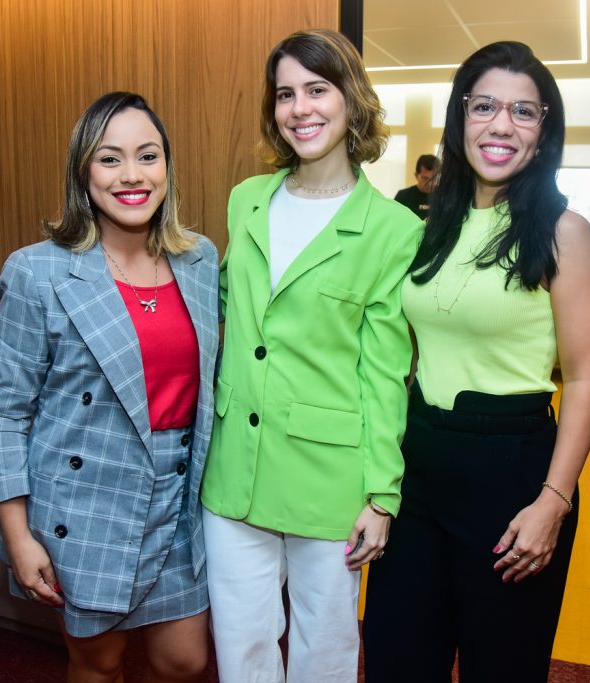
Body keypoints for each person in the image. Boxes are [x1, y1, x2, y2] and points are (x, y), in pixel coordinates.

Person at [363, 41, 590, 682]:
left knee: (501, 665)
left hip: (510, 473)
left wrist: (553, 503)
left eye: (524, 112)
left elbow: (584, 378)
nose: (501, 125)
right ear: (460, 118)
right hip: (419, 465)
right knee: (396, 656)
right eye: (486, 107)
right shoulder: (428, 225)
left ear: (544, 130)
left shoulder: (563, 232)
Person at [199, 28, 423, 683]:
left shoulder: (393, 231)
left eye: (317, 90)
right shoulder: (247, 199)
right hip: (234, 470)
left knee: (322, 653)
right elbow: (223, 314)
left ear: (351, 99)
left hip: (329, 479)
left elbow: (384, 371)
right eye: (285, 94)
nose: (300, 108)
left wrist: (382, 494)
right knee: (239, 647)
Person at [0, 91, 219, 683]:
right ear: (83, 171)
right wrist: (19, 536)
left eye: (148, 156)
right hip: (86, 502)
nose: (132, 175)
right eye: (110, 159)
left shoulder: (201, 259)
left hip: (178, 494)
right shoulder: (38, 271)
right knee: (98, 662)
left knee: (184, 660)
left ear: (168, 167)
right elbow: (4, 412)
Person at [394, 154, 441, 219]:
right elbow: (395, 220)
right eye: (425, 178)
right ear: (416, 175)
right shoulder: (403, 196)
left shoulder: (444, 196)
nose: (430, 183)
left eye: (434, 178)